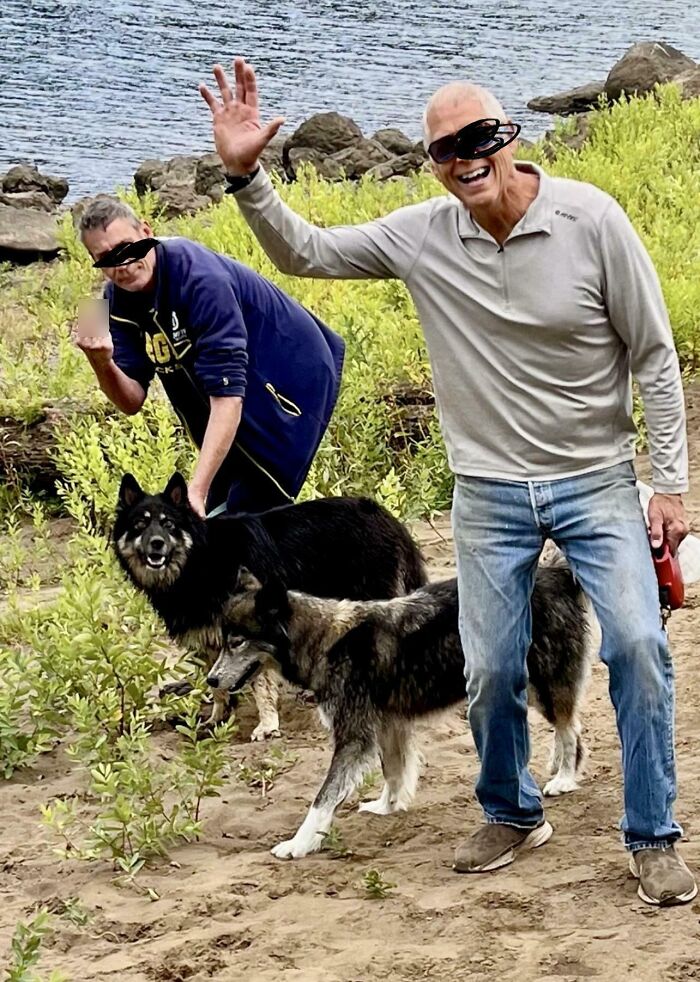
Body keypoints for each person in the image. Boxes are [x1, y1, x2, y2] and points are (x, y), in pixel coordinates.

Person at [199, 58, 696, 906]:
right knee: (490, 666)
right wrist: (245, 174)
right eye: (443, 148)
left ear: (510, 139)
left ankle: (652, 836)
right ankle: (510, 809)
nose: (465, 158)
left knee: (641, 650)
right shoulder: (425, 233)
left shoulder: (592, 220)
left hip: (595, 478)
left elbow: (652, 357)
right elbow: (308, 252)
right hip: (490, 491)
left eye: (480, 138)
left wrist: (670, 485)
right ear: (431, 161)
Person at [75, 197, 344, 516]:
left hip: (292, 380)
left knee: (251, 516)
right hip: (226, 396)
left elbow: (228, 398)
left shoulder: (202, 281)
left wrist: (196, 491)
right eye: (106, 259)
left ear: (147, 231)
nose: (122, 265)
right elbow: (130, 402)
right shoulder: (112, 300)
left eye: (127, 247)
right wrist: (100, 361)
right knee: (220, 514)